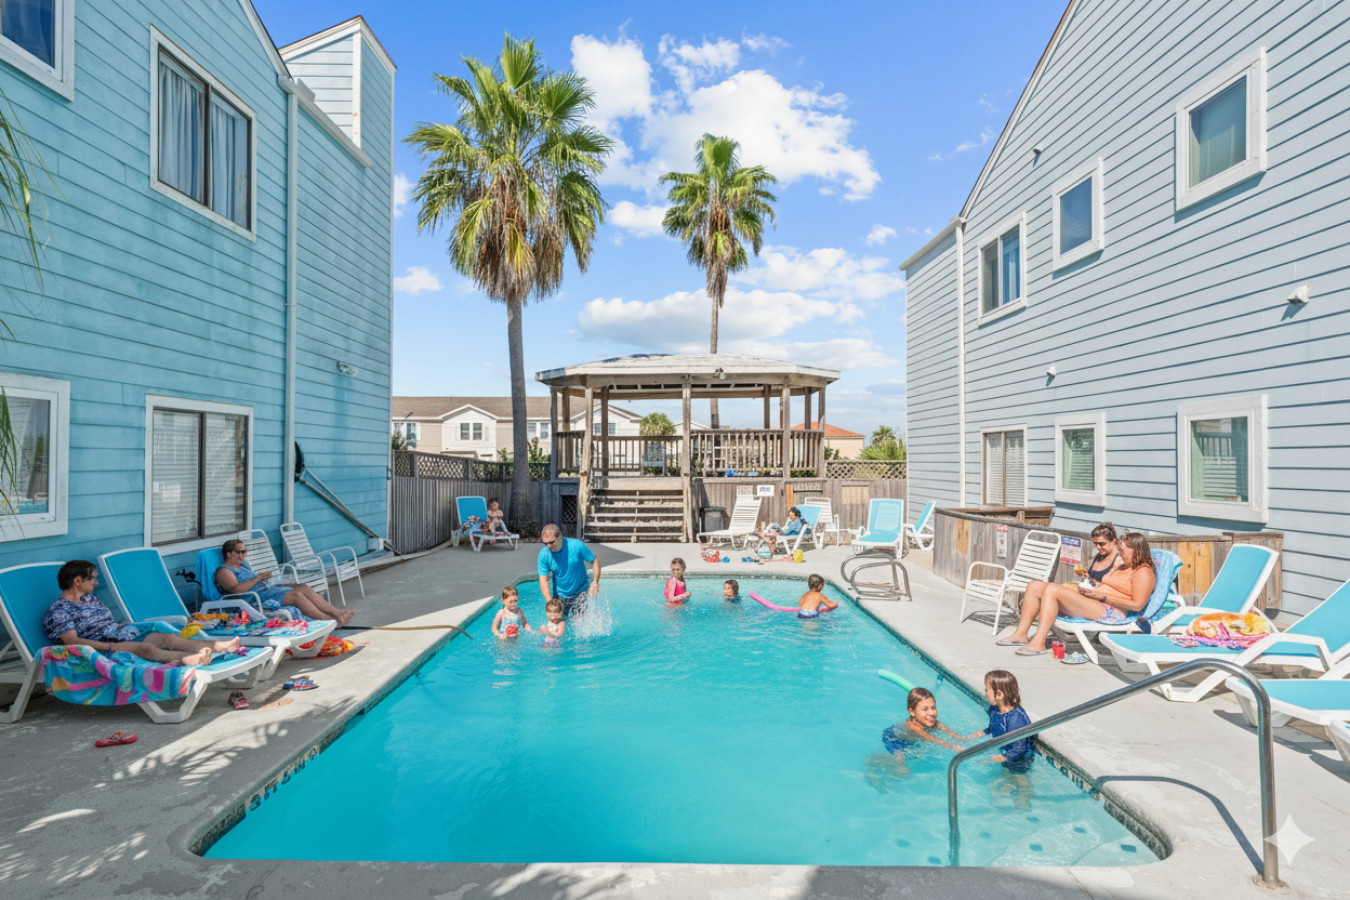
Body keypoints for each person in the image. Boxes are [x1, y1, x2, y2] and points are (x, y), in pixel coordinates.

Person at [43, 560, 240, 666]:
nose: (95, 582)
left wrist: (123, 629)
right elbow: (72, 641)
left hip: (118, 636)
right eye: (92, 579)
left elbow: (106, 624)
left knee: (168, 636)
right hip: (99, 649)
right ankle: (191, 659)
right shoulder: (60, 610)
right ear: (78, 581)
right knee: (146, 650)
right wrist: (108, 644)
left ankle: (218, 647)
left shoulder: (89, 599)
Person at [999, 532, 1158, 656]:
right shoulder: (1124, 566)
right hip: (1096, 602)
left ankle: (1038, 642)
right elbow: (1113, 586)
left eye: (1123, 551)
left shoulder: (1143, 573)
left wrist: (1103, 596)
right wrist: (1093, 586)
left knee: (1052, 590)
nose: (1120, 554)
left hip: (1111, 611)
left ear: (1136, 550)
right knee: (1034, 586)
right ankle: (1020, 635)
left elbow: (1137, 605)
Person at [216, 539, 355, 627]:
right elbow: (235, 590)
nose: (242, 555)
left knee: (302, 587)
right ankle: (327, 621)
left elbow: (252, 583)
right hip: (252, 601)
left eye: (244, 552)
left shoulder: (243, 567)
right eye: (239, 552)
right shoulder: (224, 571)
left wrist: (264, 579)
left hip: (264, 591)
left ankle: (337, 613)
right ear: (228, 554)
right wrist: (259, 577)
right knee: (297, 596)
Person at [964, 670, 1033, 772]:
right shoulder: (994, 709)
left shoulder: (1015, 719)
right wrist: (985, 732)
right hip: (1005, 750)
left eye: (987, 690)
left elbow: (1020, 748)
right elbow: (995, 726)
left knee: (1020, 783)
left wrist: (1000, 757)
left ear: (999, 695)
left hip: (1020, 761)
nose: (985, 693)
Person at [537, 523, 601, 613]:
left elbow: (594, 560)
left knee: (578, 623)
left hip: (580, 592)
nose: (548, 546)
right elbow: (543, 580)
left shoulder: (577, 546)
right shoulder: (543, 555)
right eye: (545, 543)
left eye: (551, 542)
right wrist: (549, 600)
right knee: (558, 622)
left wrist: (595, 582)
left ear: (559, 538)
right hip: (559, 594)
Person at [882, 687, 965, 754]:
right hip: (894, 738)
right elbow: (933, 740)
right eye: (925, 709)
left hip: (911, 740)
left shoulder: (933, 721)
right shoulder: (914, 726)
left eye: (933, 708)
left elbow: (953, 734)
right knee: (901, 762)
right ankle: (877, 759)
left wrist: (966, 738)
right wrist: (954, 747)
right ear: (912, 711)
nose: (931, 713)